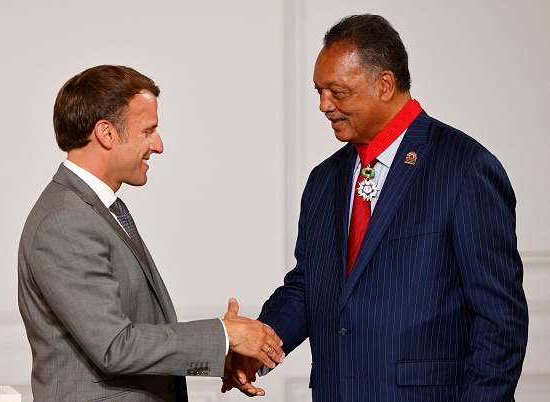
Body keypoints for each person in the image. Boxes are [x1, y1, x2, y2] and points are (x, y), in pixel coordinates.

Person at [223, 14, 528, 401]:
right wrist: (254, 347)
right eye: (319, 91)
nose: (323, 105)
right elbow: (307, 287)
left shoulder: (465, 167)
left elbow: (501, 321)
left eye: (338, 92)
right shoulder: (323, 179)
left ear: (385, 84)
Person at [17, 65, 284, 402]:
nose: (158, 145)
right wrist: (224, 336)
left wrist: (224, 350)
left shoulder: (98, 210)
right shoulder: (65, 221)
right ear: (106, 133)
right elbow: (114, 346)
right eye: (148, 131)